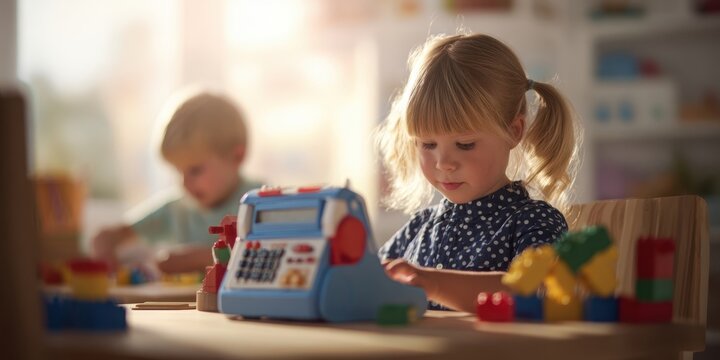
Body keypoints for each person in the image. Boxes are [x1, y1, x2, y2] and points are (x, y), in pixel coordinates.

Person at [375, 33, 580, 312]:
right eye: (428, 144)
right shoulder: (418, 228)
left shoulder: (533, 221)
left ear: (513, 131)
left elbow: (529, 291)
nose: (443, 162)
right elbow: (371, 282)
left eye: (465, 144)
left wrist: (432, 284)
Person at [91, 90, 261, 274]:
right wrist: (106, 254)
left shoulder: (261, 203)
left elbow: (270, 253)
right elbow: (106, 237)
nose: (184, 183)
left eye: (195, 170)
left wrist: (198, 257)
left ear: (237, 156)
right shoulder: (177, 208)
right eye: (178, 172)